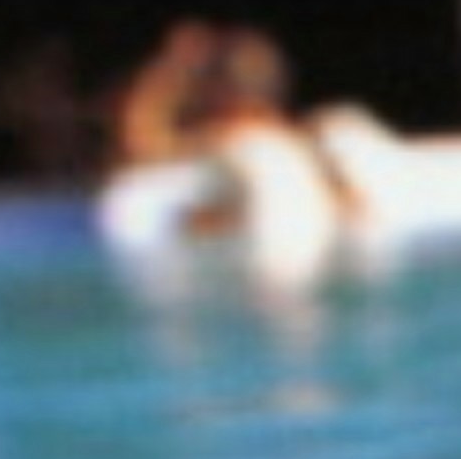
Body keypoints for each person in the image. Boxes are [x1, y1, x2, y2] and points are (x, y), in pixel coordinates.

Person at [103, 21, 395, 277]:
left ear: (217, 93)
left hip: (255, 283)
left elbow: (139, 148)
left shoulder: (231, 143)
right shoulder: (306, 145)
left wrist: (173, 66)